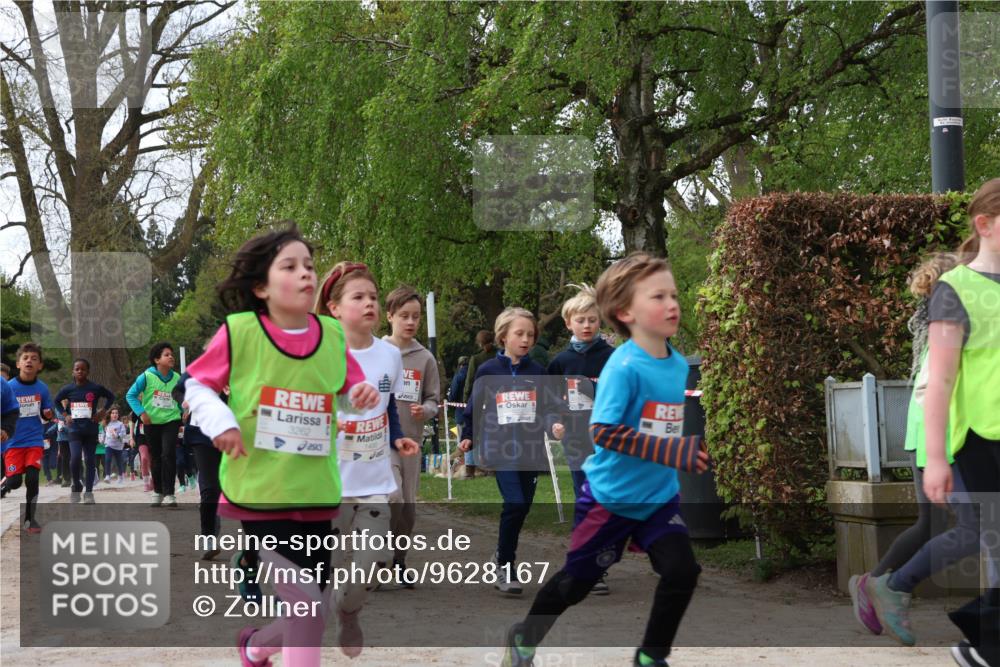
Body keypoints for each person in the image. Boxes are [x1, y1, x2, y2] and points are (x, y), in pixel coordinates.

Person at [501, 252, 710, 667]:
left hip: (657, 498)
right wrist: (672, 450)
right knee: (577, 584)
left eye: (673, 294)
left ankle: (651, 657)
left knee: (682, 571)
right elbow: (604, 432)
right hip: (609, 500)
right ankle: (524, 636)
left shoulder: (673, 362)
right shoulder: (623, 365)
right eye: (657, 296)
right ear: (625, 312)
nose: (671, 304)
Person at [184, 225, 378, 667]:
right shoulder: (240, 332)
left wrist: (358, 395)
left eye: (309, 265)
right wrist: (222, 423)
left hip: (315, 490)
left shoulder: (331, 335)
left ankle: (254, 647)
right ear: (260, 286)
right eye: (290, 266)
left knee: (315, 608)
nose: (306, 274)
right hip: (262, 491)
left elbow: (344, 390)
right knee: (307, 608)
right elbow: (196, 386)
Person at [850, 253, 983, 644]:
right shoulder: (953, 323)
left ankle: (874, 585)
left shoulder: (941, 322)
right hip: (938, 440)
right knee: (972, 527)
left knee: (932, 526)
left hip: (928, 437)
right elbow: (936, 390)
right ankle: (887, 586)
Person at [314, 261, 420, 655]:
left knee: (368, 567)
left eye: (373, 296)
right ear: (334, 308)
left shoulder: (390, 355)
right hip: (326, 483)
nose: (369, 303)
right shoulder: (319, 354)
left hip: (374, 481)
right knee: (314, 575)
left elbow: (388, 407)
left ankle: (348, 611)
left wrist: (397, 439)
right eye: (358, 297)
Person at [919, 179, 1000, 667]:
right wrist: (934, 458)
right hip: (981, 440)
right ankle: (985, 645)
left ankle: (979, 631)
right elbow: (940, 382)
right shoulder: (955, 290)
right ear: (985, 225)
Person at [460, 307, 549, 595]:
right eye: (519, 334)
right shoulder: (488, 370)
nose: (525, 340)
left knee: (523, 506)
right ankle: (506, 566)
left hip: (530, 449)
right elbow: (474, 407)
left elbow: (547, 408)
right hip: (501, 448)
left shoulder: (537, 371)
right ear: (503, 336)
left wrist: (555, 425)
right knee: (515, 503)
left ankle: (500, 554)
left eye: (530, 335)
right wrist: (467, 436)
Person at [547, 283, 616, 594]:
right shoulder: (560, 363)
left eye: (592, 320)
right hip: (575, 439)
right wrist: (554, 424)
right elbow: (548, 402)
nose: (587, 325)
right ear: (568, 323)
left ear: (599, 321)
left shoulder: (612, 357)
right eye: (580, 320)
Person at [382, 285, 441, 583]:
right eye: (404, 315)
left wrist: (426, 410)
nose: (410, 322)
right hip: (380, 440)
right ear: (389, 316)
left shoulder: (425, 358)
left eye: (416, 316)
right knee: (390, 497)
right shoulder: (376, 352)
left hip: (411, 441)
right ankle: (378, 560)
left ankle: (399, 558)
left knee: (406, 505)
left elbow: (434, 399)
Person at [0, 343, 55, 533]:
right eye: (25, 358)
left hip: (34, 440)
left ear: (40, 365)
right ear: (18, 364)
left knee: (32, 478)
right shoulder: (8, 387)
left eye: (33, 358)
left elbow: (47, 412)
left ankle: (30, 520)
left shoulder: (43, 388)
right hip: (13, 442)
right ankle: (3, 486)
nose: (29, 361)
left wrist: (48, 414)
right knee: (14, 482)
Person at [126, 342, 183, 507]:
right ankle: (158, 492)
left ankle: (170, 494)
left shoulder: (178, 378)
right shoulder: (146, 376)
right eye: (167, 354)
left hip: (171, 421)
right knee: (156, 458)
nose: (171, 357)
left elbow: (179, 398)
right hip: (151, 423)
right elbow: (131, 395)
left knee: (169, 454)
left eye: (172, 354)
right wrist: (142, 413)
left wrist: (183, 411)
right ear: (157, 360)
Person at [53, 359, 115, 504]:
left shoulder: (95, 388)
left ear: (88, 371)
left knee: (90, 460)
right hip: (74, 429)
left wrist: (103, 411)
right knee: (74, 458)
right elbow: (56, 401)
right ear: (73, 372)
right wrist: (65, 415)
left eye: (83, 369)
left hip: (90, 429)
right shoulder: (68, 389)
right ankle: (76, 485)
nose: (80, 371)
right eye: (77, 369)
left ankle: (88, 493)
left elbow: (111, 396)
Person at [448, 356, 474, 477]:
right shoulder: (475, 375)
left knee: (462, 443)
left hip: (461, 413)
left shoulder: (458, 376)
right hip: (476, 412)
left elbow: (452, 396)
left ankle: (465, 470)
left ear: (460, 365)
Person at [462, 329, 495, 403]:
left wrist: (466, 398)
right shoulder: (501, 354)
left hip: (482, 398)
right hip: (501, 396)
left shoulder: (476, 359)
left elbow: (470, 380)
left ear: (480, 344)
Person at [102, 407, 128, 485]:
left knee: (119, 462)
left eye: (116, 413)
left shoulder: (120, 424)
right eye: (113, 413)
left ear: (118, 415)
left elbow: (123, 435)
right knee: (107, 459)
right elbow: (105, 433)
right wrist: (102, 438)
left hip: (118, 446)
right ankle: (107, 476)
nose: (114, 414)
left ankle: (120, 476)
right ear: (110, 414)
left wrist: (117, 435)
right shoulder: (107, 423)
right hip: (109, 445)